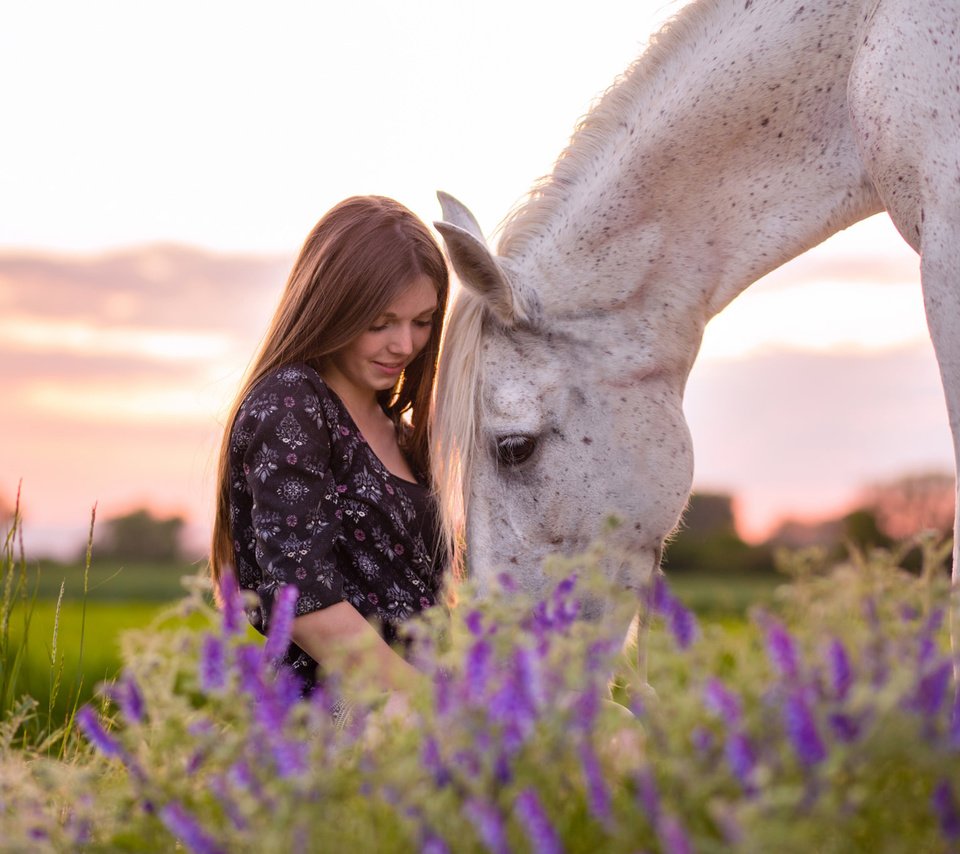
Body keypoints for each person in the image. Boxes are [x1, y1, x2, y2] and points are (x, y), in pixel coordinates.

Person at [209, 195, 450, 709]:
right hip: (338, 720)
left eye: (423, 321)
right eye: (381, 322)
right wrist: (440, 707)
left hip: (424, 706)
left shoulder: (404, 433)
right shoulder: (291, 405)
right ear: (333, 307)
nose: (405, 345)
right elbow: (303, 605)